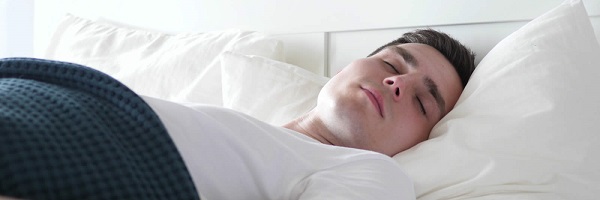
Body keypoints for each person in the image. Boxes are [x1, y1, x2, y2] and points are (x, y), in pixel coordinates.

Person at [149, 28, 476, 199]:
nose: (396, 82)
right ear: (344, 68)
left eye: (421, 103)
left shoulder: (373, 174)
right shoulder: (245, 132)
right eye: (391, 64)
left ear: (419, 143)